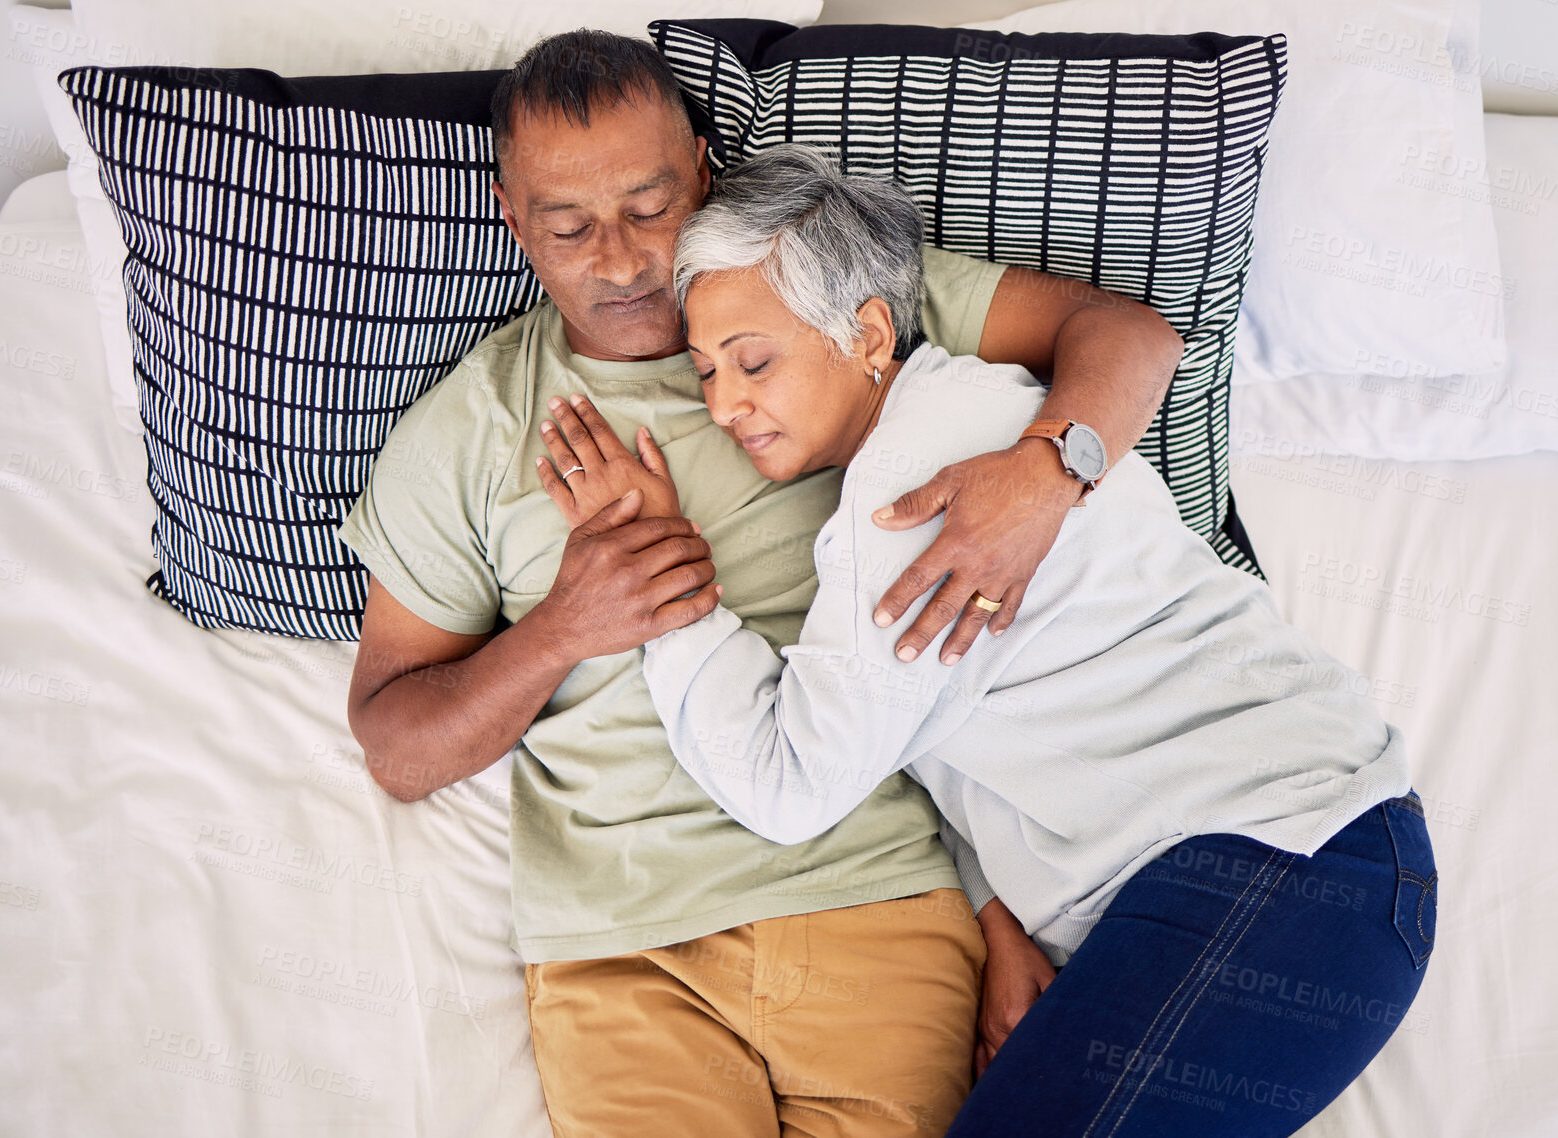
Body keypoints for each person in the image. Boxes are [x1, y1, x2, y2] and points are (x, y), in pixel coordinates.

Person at [337, 30, 1184, 1138]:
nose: (622, 258)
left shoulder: (821, 292)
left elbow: (1124, 335)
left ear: (700, 167)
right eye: (566, 225)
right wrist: (565, 626)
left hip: (874, 893)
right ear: (511, 216)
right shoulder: (472, 429)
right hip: (623, 943)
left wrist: (1043, 472)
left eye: (648, 207)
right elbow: (398, 748)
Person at [537, 144, 1438, 1137]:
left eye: (753, 361)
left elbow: (786, 784)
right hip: (1274, 874)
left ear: (866, 332)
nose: (720, 405)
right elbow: (959, 717)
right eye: (705, 370)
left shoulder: (912, 495)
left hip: (1285, 862)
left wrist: (658, 578)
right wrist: (998, 917)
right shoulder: (976, 413)